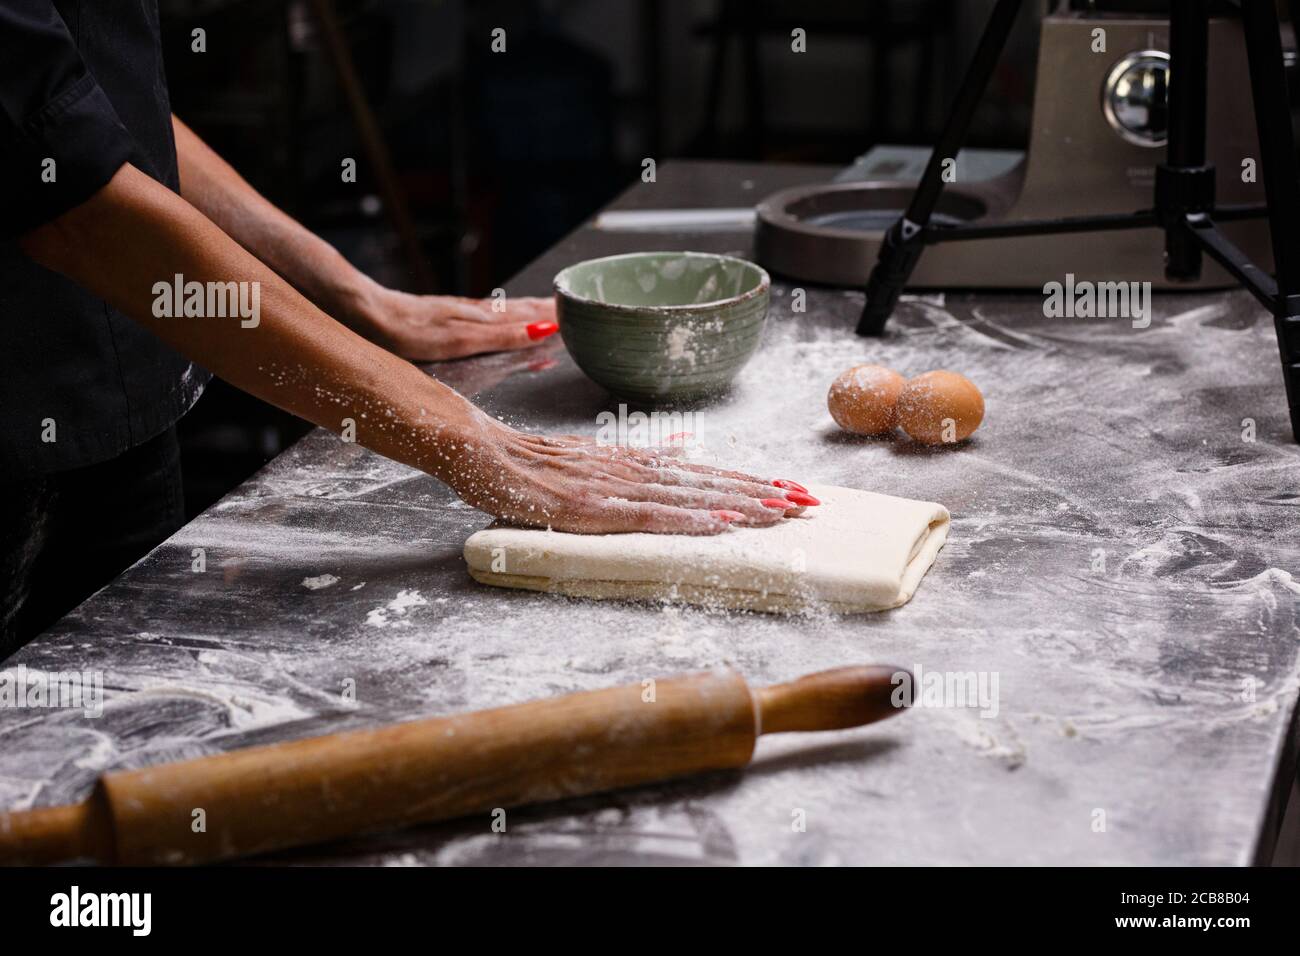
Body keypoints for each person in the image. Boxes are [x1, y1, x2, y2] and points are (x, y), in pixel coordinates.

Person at [0, 1, 816, 655]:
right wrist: (464, 437)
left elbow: (99, 118)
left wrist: (355, 295)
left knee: (128, 741)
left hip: (132, 402)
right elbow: (70, 198)